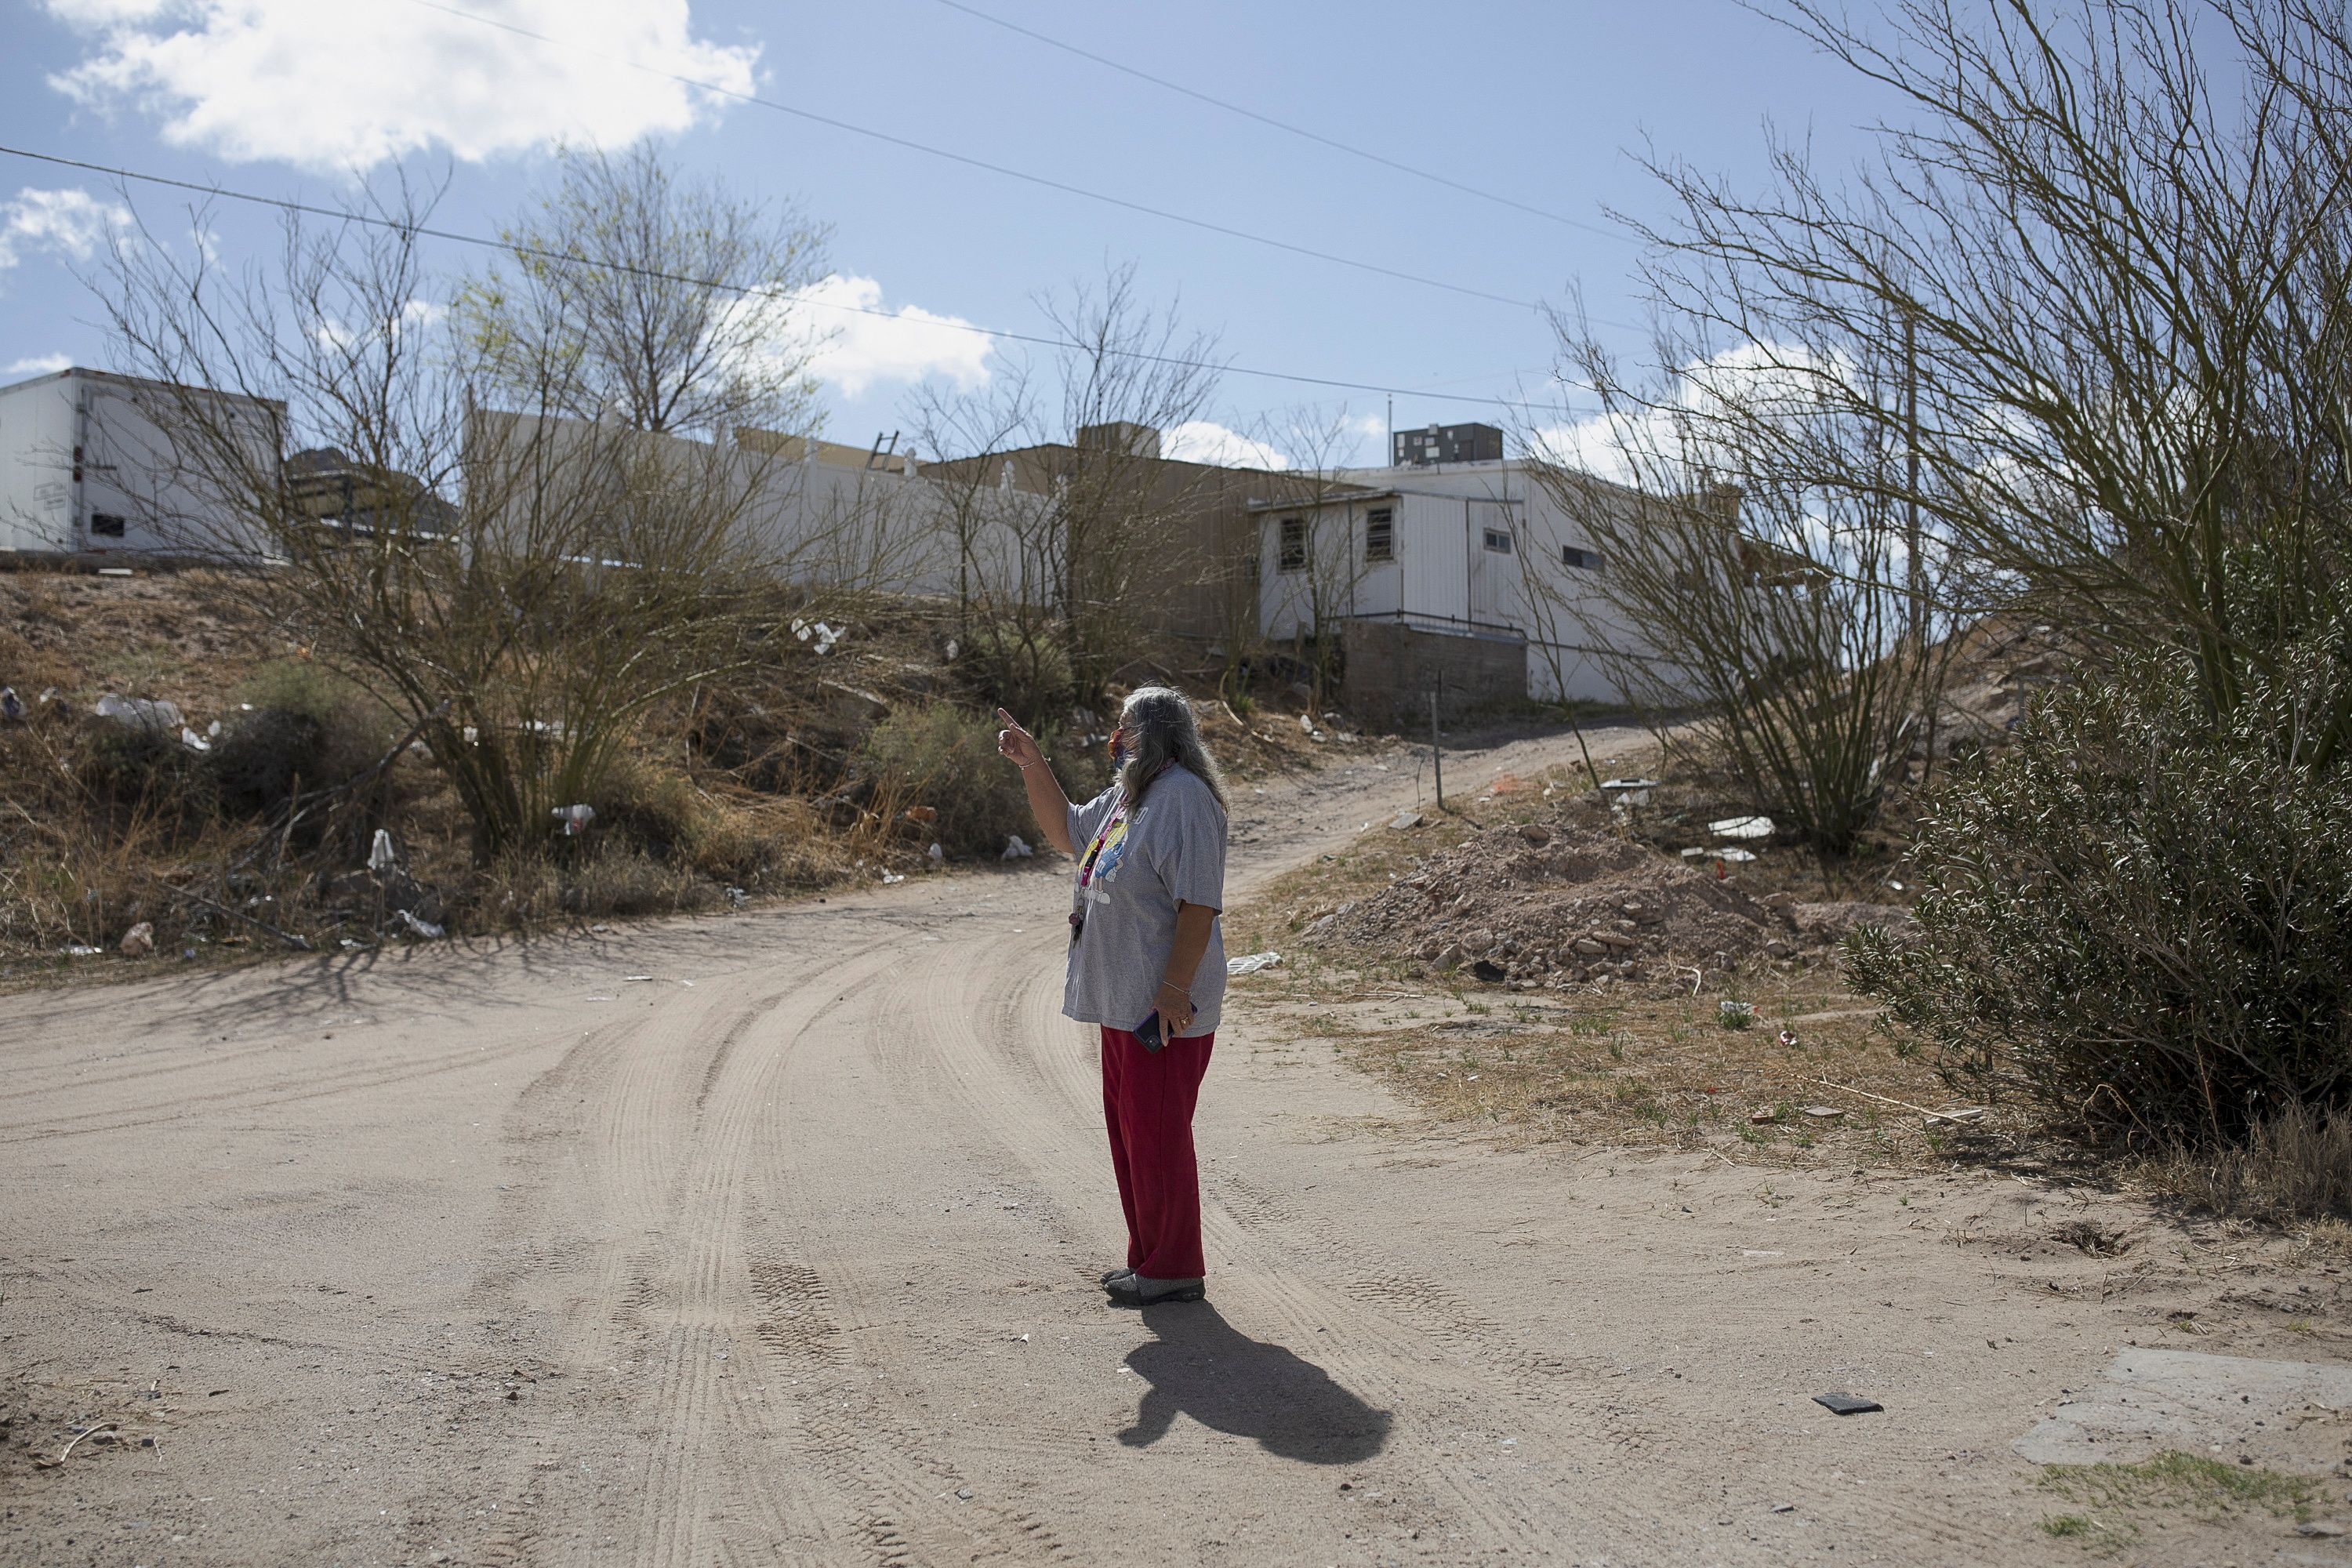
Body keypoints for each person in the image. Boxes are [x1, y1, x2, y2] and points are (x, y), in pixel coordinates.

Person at [996, 688, 1229, 1308]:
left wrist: (1175, 989)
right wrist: (1032, 763)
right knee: (1133, 1135)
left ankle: (1175, 1264)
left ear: (1152, 733)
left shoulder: (1183, 800)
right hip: (1124, 1003)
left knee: (1157, 1136)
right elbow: (1067, 832)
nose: (1114, 739)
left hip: (1163, 1008)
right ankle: (1150, 1259)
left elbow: (1199, 902)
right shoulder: (1132, 797)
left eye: (1123, 727)